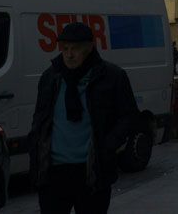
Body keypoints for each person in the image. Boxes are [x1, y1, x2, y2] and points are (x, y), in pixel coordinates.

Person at [29, 22, 139, 214]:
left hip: (92, 171)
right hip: (54, 172)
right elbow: (40, 119)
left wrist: (108, 146)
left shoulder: (112, 76)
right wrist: (35, 150)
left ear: (89, 48)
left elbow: (129, 117)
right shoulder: (51, 77)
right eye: (65, 49)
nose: (69, 55)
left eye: (75, 49)